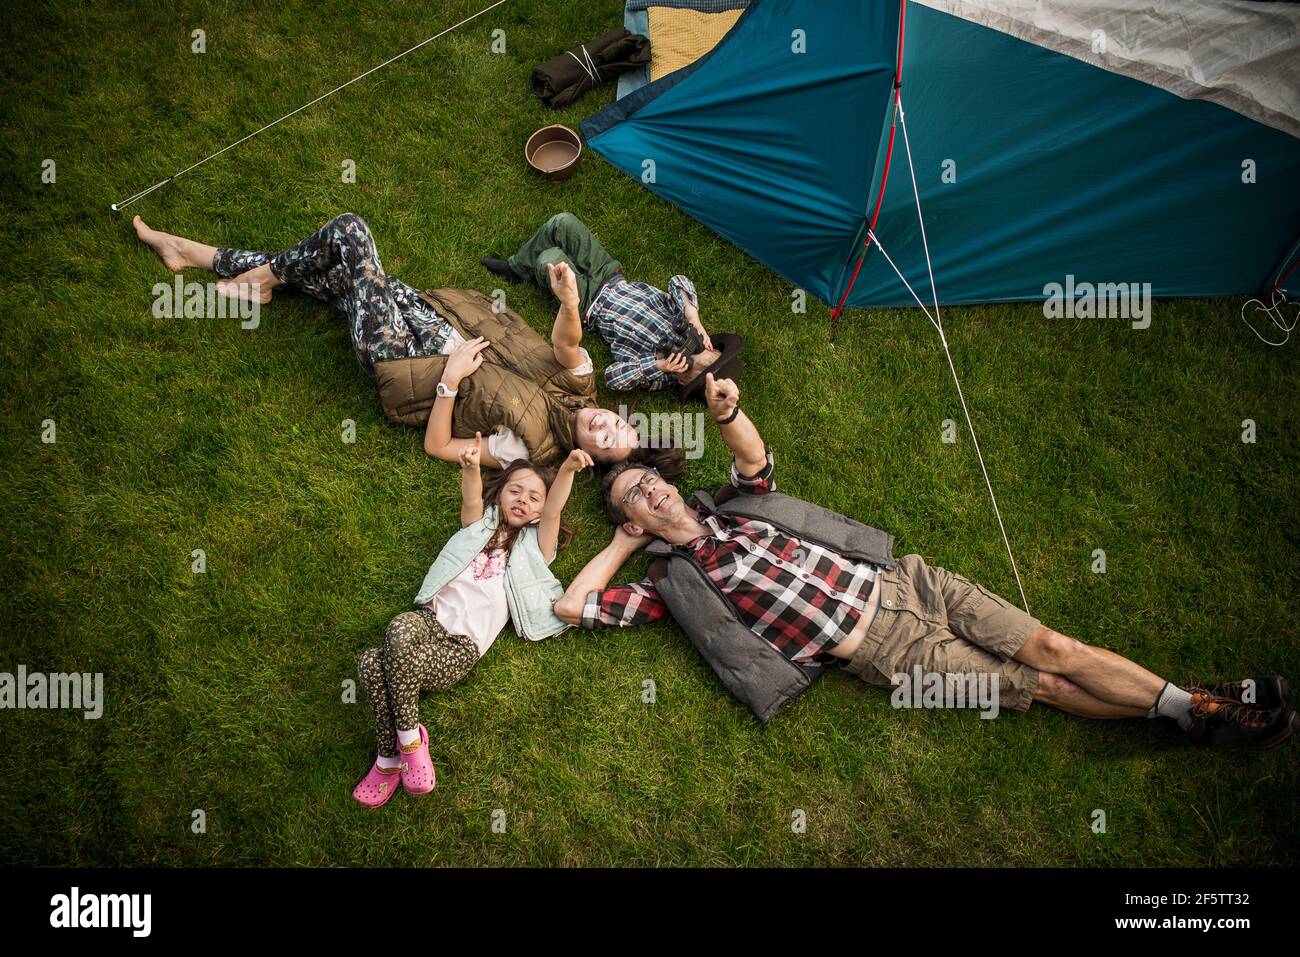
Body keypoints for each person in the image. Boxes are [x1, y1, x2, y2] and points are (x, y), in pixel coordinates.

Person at [554, 374, 1297, 749]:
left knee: (1057, 646)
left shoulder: (734, 503)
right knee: (1040, 685)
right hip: (885, 650)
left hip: (908, 581)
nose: (652, 491)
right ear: (634, 519)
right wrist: (620, 546)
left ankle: (1192, 709)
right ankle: (1199, 705)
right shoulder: (674, 584)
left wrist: (726, 410)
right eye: (636, 498)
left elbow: (754, 457)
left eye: (650, 480)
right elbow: (570, 606)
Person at [132, 213, 684, 475]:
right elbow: (568, 343)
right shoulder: (581, 383)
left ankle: (259, 278)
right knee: (335, 274)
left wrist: (451, 381)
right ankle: (194, 254)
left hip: (405, 360)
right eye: (617, 422)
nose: (606, 426)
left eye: (609, 441)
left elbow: (440, 448)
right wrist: (567, 303)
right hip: (430, 316)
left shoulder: (532, 450)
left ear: (591, 457)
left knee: (350, 233)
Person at [353, 442, 590, 807]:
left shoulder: (536, 548)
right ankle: (408, 745)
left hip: (461, 647)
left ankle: (389, 759)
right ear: (500, 494)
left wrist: (568, 469)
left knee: (374, 663)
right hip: (428, 622)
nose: (523, 500)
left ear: (541, 510)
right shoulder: (478, 527)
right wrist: (470, 468)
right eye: (515, 491)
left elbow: (556, 507)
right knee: (397, 630)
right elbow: (470, 500)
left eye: (533, 498)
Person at [483, 212, 739, 398]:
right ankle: (517, 268)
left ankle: (528, 267)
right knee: (563, 222)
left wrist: (657, 365)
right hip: (609, 275)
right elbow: (678, 281)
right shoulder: (683, 320)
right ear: (707, 343)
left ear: (684, 383)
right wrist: (693, 316)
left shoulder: (658, 377)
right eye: (703, 354)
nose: (689, 356)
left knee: (548, 259)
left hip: (589, 304)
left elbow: (612, 378)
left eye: (692, 371)